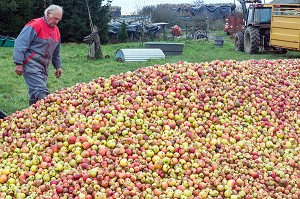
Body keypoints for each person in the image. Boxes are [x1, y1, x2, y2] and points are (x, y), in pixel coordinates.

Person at [13, 5, 63, 106]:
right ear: (48, 14)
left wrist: (58, 66)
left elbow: (56, 51)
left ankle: (31, 116)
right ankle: (50, 113)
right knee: (41, 91)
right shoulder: (35, 25)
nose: (57, 22)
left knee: (34, 93)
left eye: (59, 19)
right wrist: (18, 63)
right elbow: (20, 44)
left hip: (44, 66)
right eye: (55, 18)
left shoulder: (56, 31)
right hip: (31, 64)